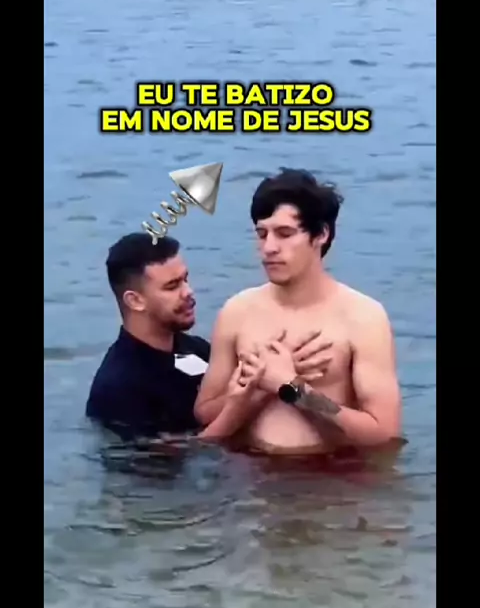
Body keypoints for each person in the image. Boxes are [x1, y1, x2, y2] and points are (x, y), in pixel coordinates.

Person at [194, 168, 402, 455]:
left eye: (285, 234)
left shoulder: (363, 317)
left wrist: (294, 389)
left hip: (328, 472)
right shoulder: (238, 311)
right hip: (251, 471)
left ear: (321, 234)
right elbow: (205, 412)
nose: (269, 248)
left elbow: (384, 434)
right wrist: (259, 389)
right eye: (261, 234)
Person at [86, 232, 212, 441]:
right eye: (172, 286)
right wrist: (241, 405)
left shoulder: (196, 349)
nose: (188, 292)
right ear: (135, 301)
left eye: (185, 279)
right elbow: (173, 456)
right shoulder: (119, 388)